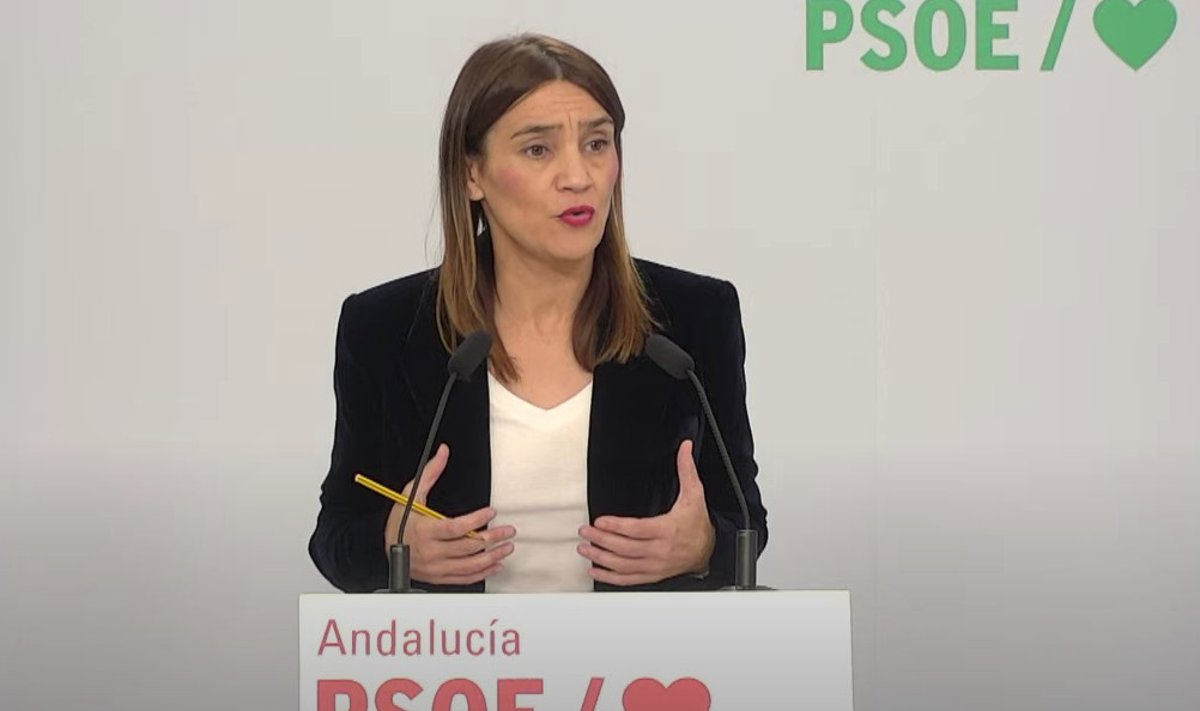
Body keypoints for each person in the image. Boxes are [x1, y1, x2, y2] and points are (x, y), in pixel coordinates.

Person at [308, 33, 767, 593]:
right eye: (538, 150)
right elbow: (335, 538)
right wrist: (392, 546)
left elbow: (745, 523)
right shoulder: (385, 327)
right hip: (464, 651)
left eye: (597, 144)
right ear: (472, 174)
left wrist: (705, 547)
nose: (578, 176)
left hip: (643, 648)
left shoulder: (693, 319)